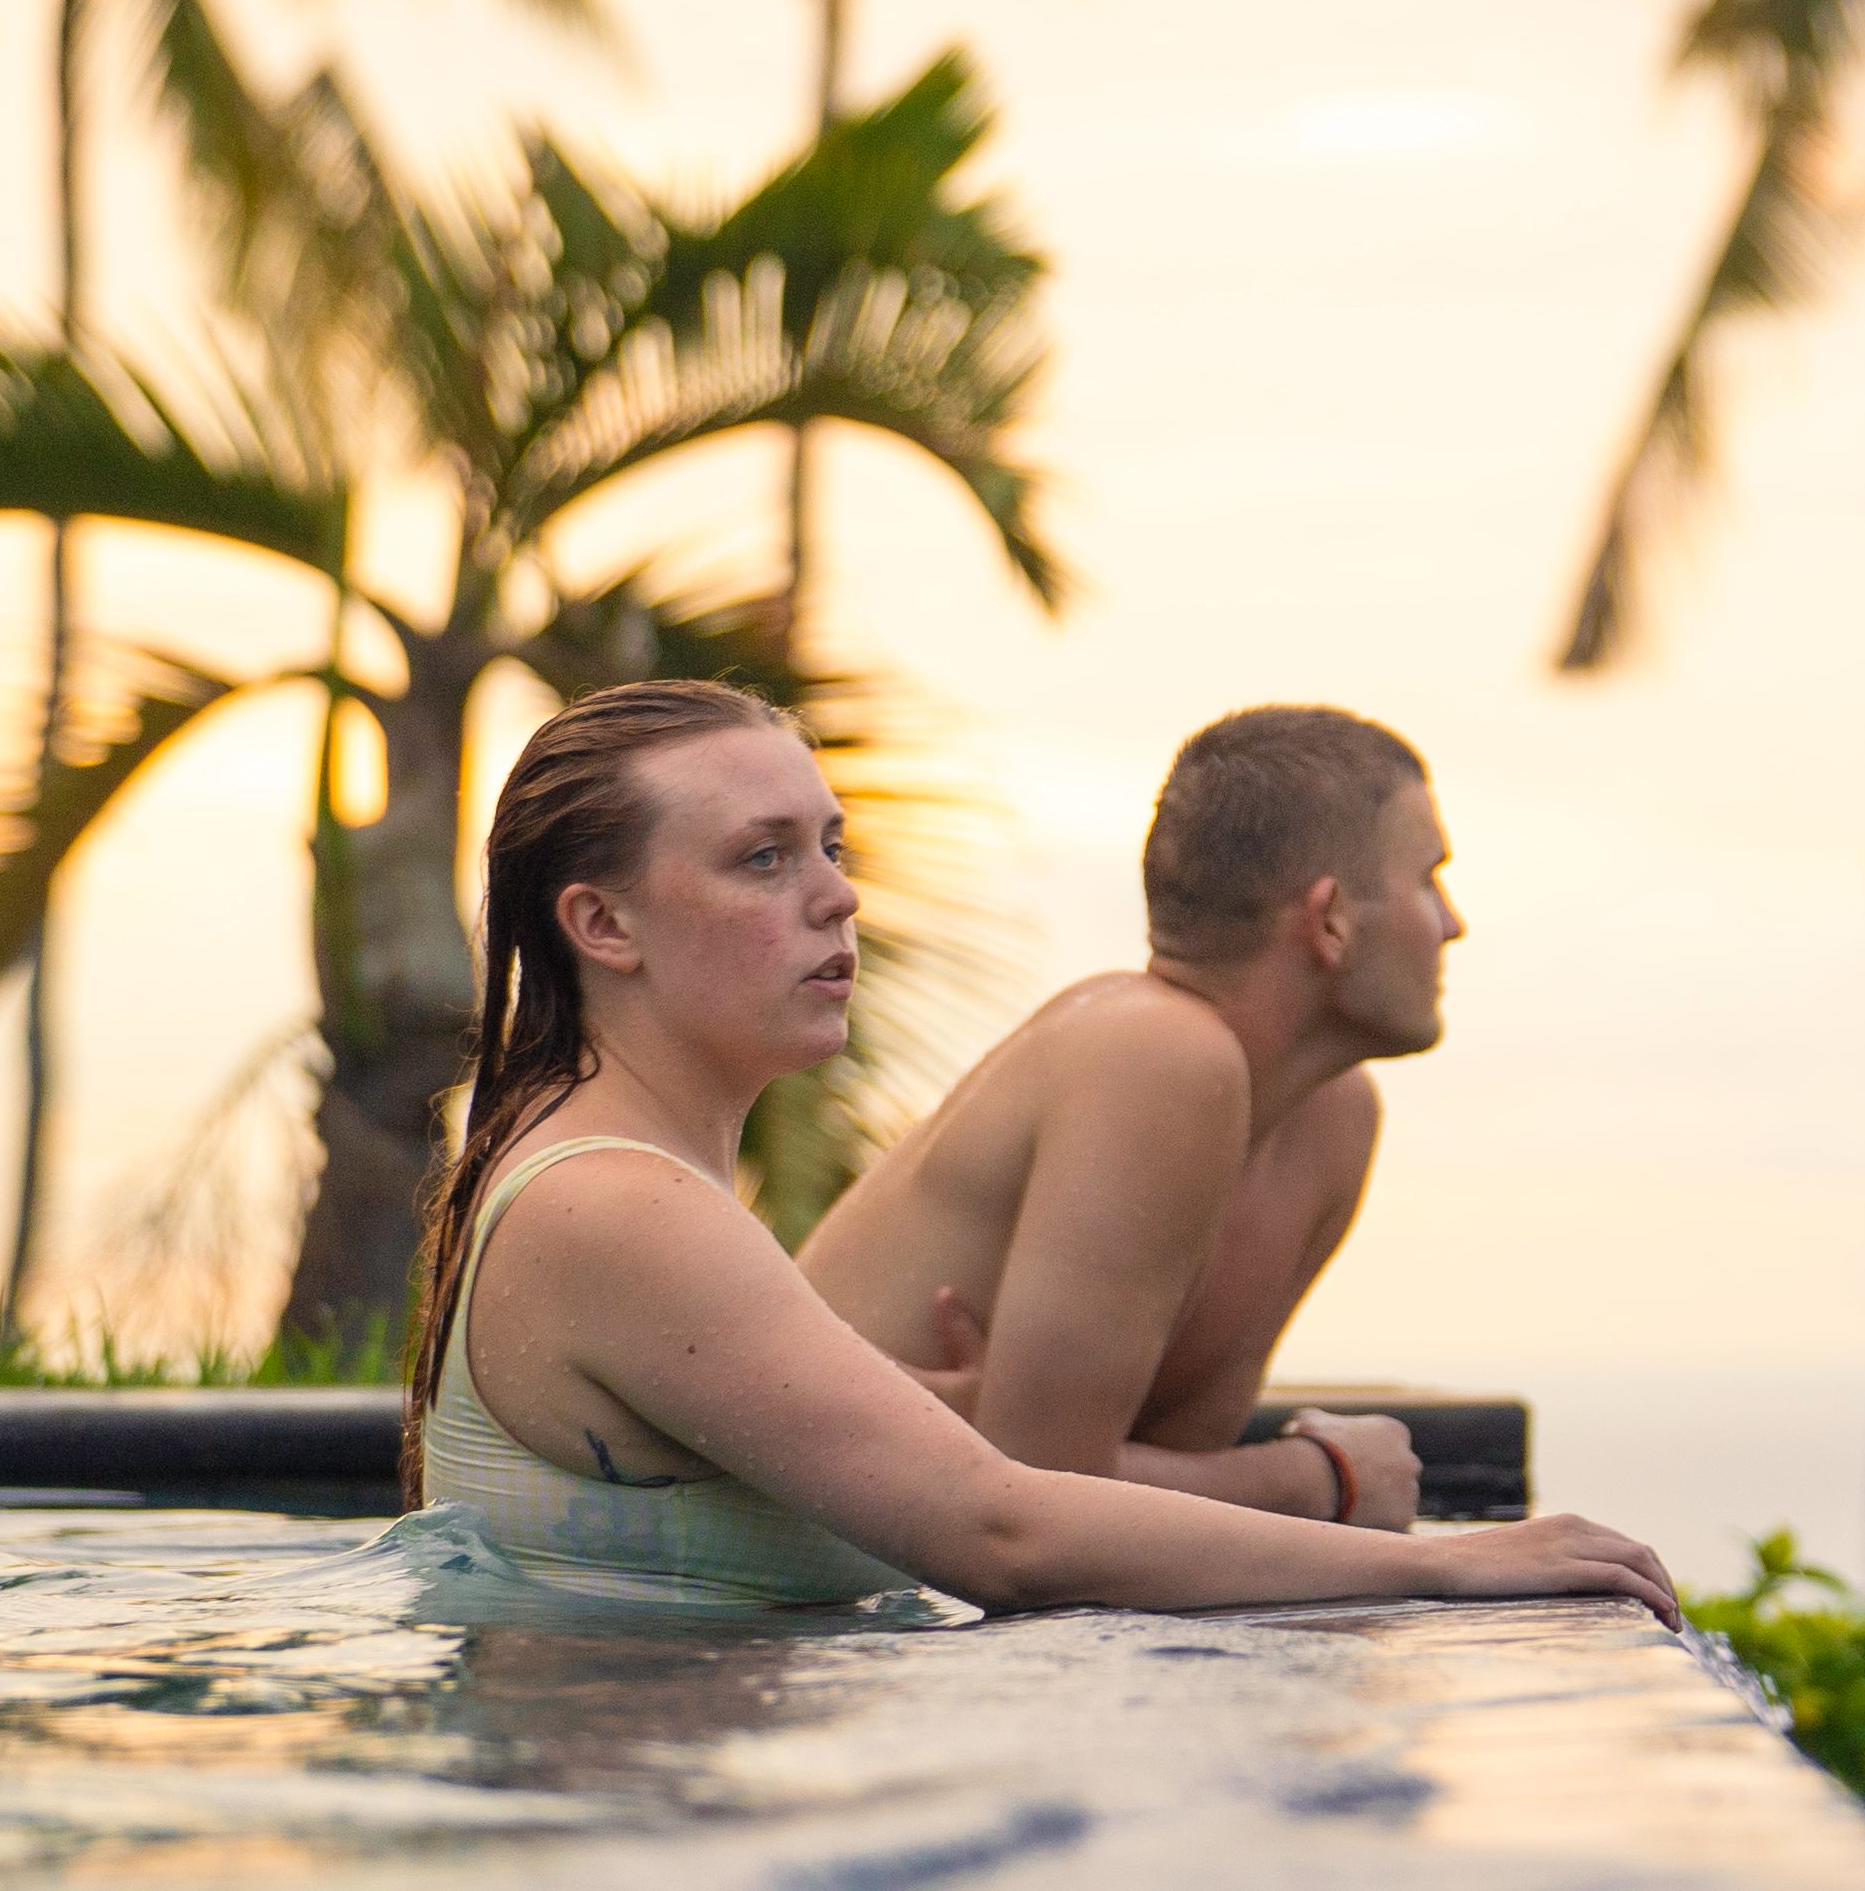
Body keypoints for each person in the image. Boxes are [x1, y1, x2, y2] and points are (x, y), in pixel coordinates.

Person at [402, 676, 1671, 1621]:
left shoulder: (614, 1179)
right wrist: (1435, 1556)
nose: (836, 892)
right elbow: (1001, 1529)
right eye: (763, 857)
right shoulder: (615, 1205)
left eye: (831, 845)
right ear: (602, 922)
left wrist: (943, 1413)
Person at [794, 704, 1449, 1534]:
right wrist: (1327, 1480)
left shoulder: (1328, 1121)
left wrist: (1018, 1441)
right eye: (1428, 877)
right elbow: (1045, 1496)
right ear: (1331, 920)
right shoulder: (1151, 1050)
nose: (1452, 923)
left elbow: (1136, 1490)